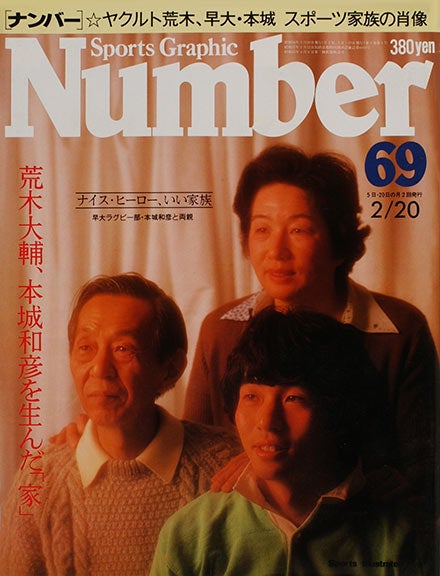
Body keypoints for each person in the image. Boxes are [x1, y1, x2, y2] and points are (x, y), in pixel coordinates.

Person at [183, 145, 437, 509]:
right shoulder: (222, 329)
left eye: (299, 229)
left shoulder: (399, 331)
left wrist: (278, 468)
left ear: (339, 241)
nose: (277, 251)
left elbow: (422, 471)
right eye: (262, 229)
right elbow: (194, 451)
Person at [151, 308, 429, 576]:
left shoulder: (403, 538)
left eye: (293, 398)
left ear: (336, 410)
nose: (267, 421)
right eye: (251, 397)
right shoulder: (191, 534)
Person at [0, 273, 239, 576]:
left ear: (170, 369)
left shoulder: (229, 469)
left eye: (123, 349)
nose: (100, 369)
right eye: (86, 347)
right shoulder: (38, 481)